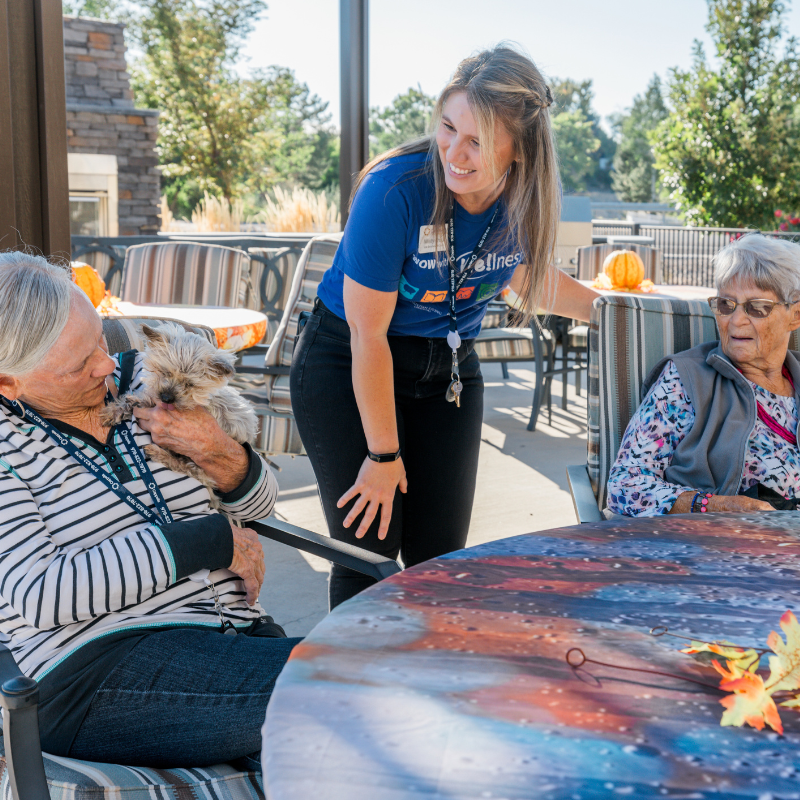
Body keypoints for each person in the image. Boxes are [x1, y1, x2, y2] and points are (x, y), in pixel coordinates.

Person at [291, 44, 598, 608]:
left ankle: (417, 686)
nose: (454, 153)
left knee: (439, 561)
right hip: (348, 361)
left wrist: (613, 316)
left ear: (519, 150)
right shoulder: (395, 189)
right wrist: (383, 457)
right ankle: (354, 691)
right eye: (448, 127)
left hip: (449, 369)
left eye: (477, 141)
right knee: (370, 557)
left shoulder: (523, 200)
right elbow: (368, 334)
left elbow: (530, 279)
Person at [0, 251, 297, 768]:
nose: (108, 363)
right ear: (9, 384)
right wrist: (214, 539)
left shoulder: (156, 379)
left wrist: (221, 453)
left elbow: (261, 507)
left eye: (100, 338)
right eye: (81, 363)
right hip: (95, 672)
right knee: (355, 692)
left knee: (372, 687)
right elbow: (42, 593)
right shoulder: (8, 450)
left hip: (233, 636)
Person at [607, 233, 800, 516]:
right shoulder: (686, 380)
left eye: (757, 307)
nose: (736, 320)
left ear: (795, 315)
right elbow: (625, 485)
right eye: (725, 304)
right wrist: (714, 506)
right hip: (723, 548)